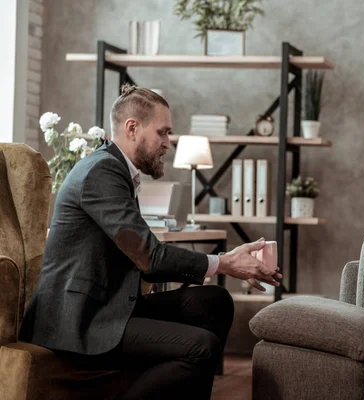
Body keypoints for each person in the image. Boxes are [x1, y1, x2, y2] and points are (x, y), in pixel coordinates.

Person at [19, 84, 282, 399]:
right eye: (163, 133)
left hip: (111, 307)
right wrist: (225, 263)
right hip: (79, 322)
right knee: (202, 347)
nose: (168, 143)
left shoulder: (117, 170)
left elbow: (144, 261)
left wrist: (224, 262)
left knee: (214, 302)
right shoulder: (101, 172)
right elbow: (150, 257)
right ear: (133, 128)